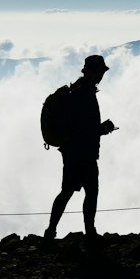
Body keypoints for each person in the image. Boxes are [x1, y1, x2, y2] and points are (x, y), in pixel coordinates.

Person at [44, 55, 117, 243]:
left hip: (73, 152)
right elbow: (82, 128)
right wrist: (102, 129)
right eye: (99, 71)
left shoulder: (77, 91)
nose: (101, 75)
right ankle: (89, 233)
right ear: (91, 71)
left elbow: (79, 126)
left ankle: (51, 232)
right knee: (90, 192)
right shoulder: (83, 93)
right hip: (82, 152)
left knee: (67, 192)